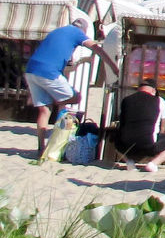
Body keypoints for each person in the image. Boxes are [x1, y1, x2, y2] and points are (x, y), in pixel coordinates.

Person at [24, 21, 113, 151]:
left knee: (44, 111)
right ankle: (56, 104)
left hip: (31, 70)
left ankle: (41, 148)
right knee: (76, 98)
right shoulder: (77, 33)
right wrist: (113, 67)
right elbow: (97, 48)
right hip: (48, 71)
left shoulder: (57, 31)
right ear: (84, 30)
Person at [111, 79, 165, 172]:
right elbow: (163, 127)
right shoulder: (160, 101)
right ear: (154, 90)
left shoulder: (126, 100)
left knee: (115, 138)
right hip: (149, 145)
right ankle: (153, 164)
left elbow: (123, 123)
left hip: (126, 146)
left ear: (139, 89)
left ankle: (129, 162)